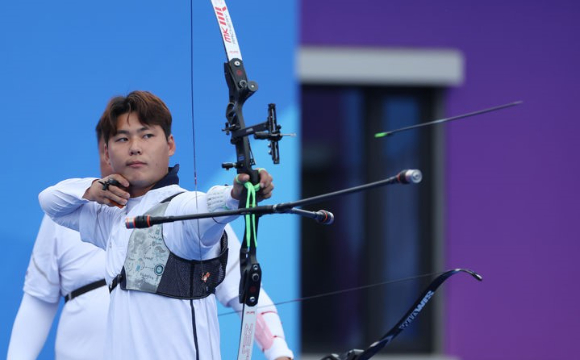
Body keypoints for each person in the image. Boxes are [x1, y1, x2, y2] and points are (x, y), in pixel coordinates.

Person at [38, 90, 280, 359]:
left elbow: (209, 207)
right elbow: (49, 201)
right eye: (122, 138)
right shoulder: (111, 218)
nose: (135, 147)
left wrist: (236, 194)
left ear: (170, 144)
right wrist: (91, 189)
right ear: (107, 153)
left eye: (147, 135)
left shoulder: (181, 208)